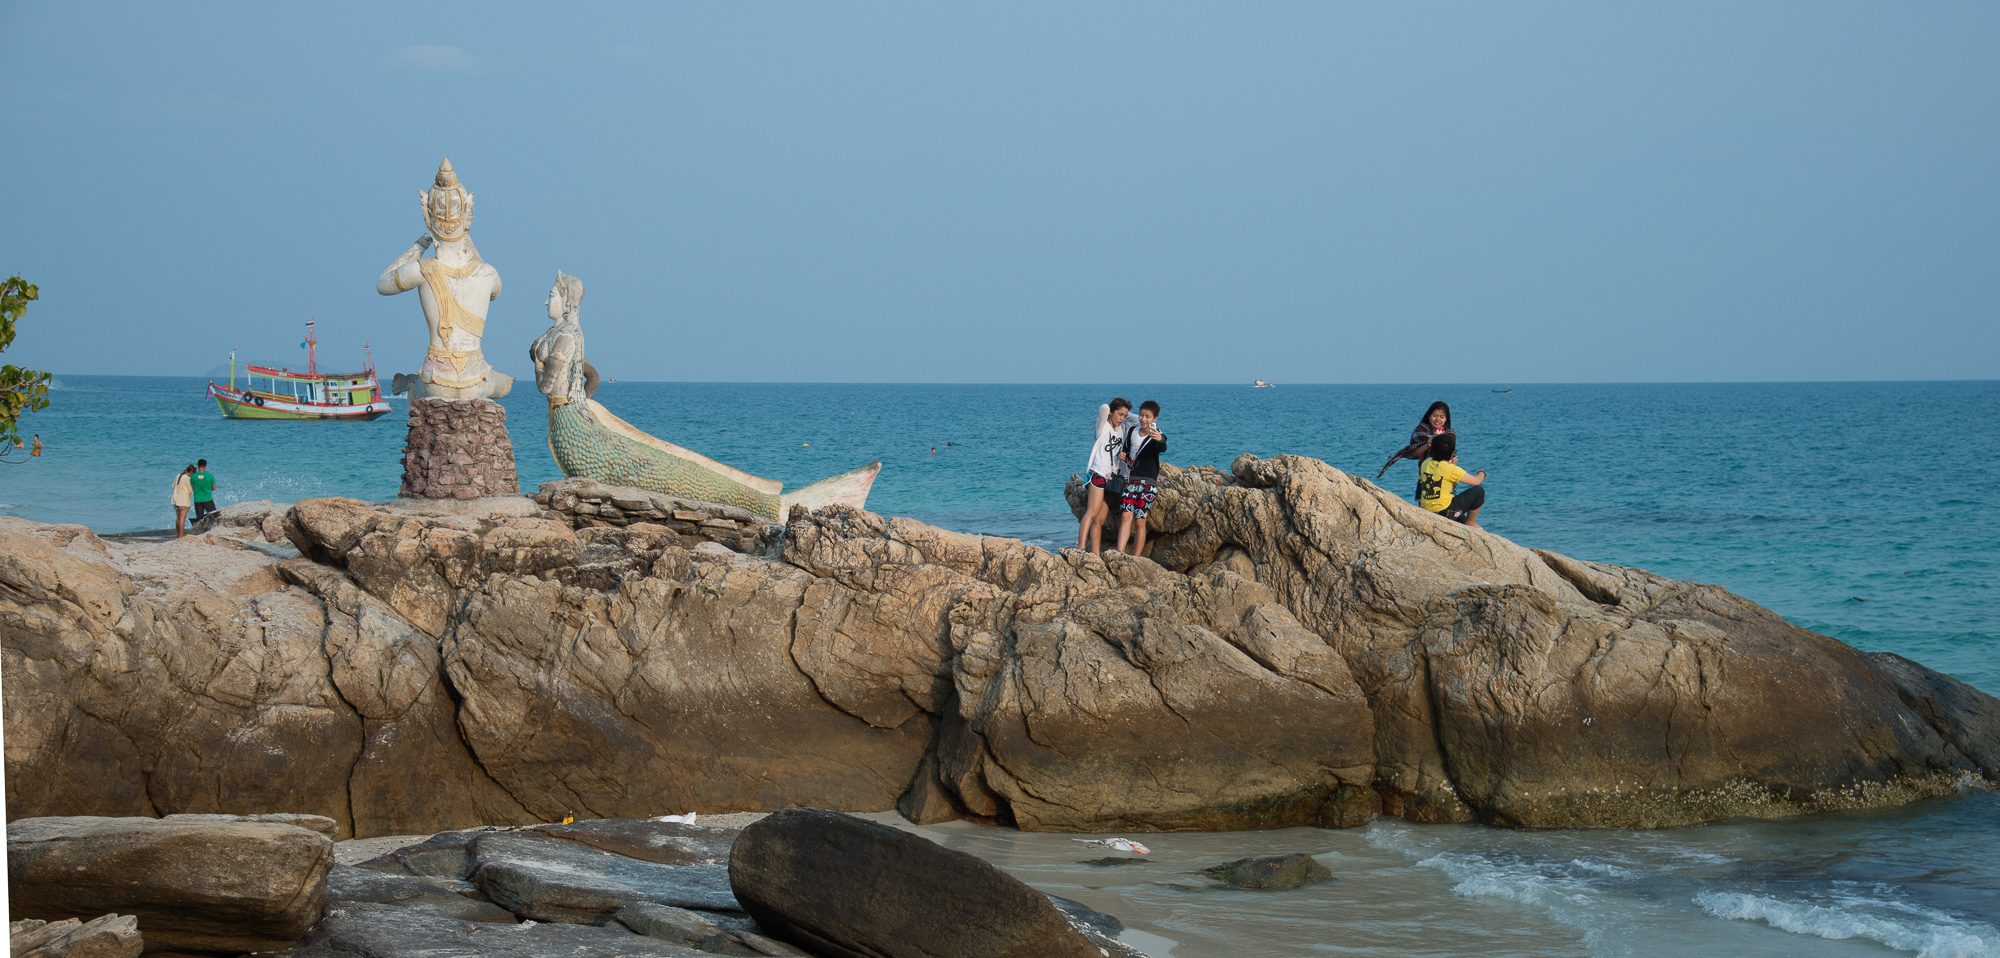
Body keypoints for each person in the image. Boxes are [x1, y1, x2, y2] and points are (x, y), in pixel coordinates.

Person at [1076, 398, 1132, 554]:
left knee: (1100, 520)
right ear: (1111, 413)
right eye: (1120, 414)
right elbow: (1103, 407)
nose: (1123, 418)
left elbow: (1135, 420)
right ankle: (1080, 547)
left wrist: (1126, 412)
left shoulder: (1122, 428)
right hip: (1098, 474)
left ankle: (1095, 554)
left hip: (1112, 478)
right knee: (1092, 512)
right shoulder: (1103, 427)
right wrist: (1113, 410)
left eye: (1125, 416)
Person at [1116, 401, 1167, 555]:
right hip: (1131, 480)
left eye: (1148, 416)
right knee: (1125, 515)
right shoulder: (1132, 431)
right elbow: (1125, 449)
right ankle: (1119, 551)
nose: (1143, 419)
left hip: (1148, 484)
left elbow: (1163, 446)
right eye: (1141, 415)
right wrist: (1122, 455)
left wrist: (1158, 438)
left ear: (1154, 418)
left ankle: (1136, 557)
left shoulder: (1156, 434)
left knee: (1140, 520)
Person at [1376, 401, 1454, 495]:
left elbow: (1451, 453)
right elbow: (1414, 453)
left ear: (1446, 419)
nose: (1438, 419)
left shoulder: (1450, 434)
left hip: (1445, 475)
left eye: (1442, 417)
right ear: (1429, 416)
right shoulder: (1420, 431)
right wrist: (1427, 444)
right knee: (1424, 507)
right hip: (1425, 476)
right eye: (1435, 416)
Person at [1416, 433, 1486, 529]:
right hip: (1444, 511)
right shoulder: (1451, 469)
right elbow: (1476, 481)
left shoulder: (1425, 463)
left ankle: (1470, 526)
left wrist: (1448, 463)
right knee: (1478, 491)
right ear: (1452, 453)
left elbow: (1438, 470)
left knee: (1462, 518)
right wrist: (1482, 473)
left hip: (1428, 510)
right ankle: (1469, 523)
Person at [189, 459, 218, 524]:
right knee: (214, 516)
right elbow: (213, 488)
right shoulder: (209, 476)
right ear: (205, 466)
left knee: (199, 519)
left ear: (197, 466)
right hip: (208, 498)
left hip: (197, 499)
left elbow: (193, 488)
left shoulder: (193, 476)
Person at [171, 465, 195, 538]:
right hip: (183, 500)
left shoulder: (178, 475)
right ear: (191, 472)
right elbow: (190, 489)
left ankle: (178, 534)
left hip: (176, 498)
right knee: (182, 518)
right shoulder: (187, 478)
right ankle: (181, 535)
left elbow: (173, 486)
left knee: (178, 518)